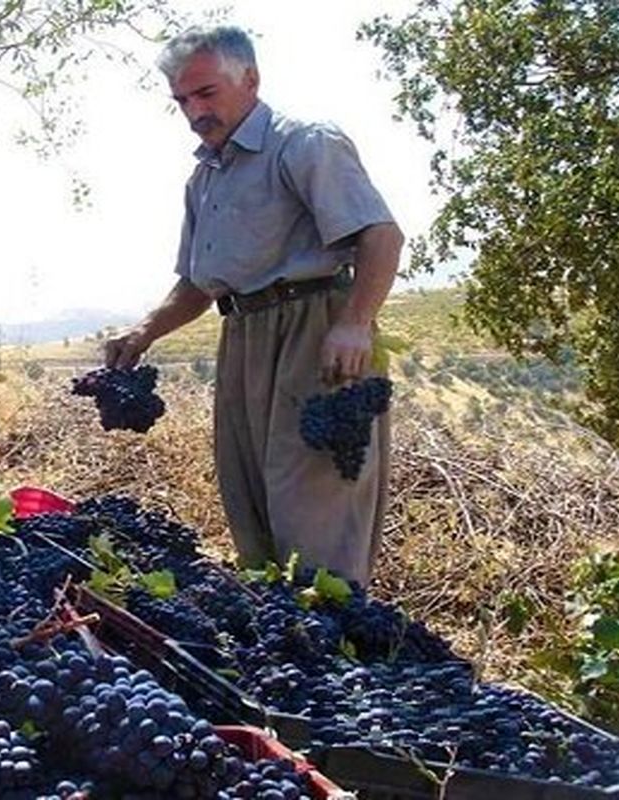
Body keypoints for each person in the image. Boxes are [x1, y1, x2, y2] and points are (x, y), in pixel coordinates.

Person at [105, 25, 404, 586]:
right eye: (182, 101)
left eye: (206, 93)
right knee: (251, 501)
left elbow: (382, 236)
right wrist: (144, 331)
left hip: (315, 332)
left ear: (251, 79)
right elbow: (198, 285)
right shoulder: (204, 178)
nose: (194, 111)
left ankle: (336, 649)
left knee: (312, 505)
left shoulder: (305, 143)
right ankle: (283, 651)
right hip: (243, 337)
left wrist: (356, 323)